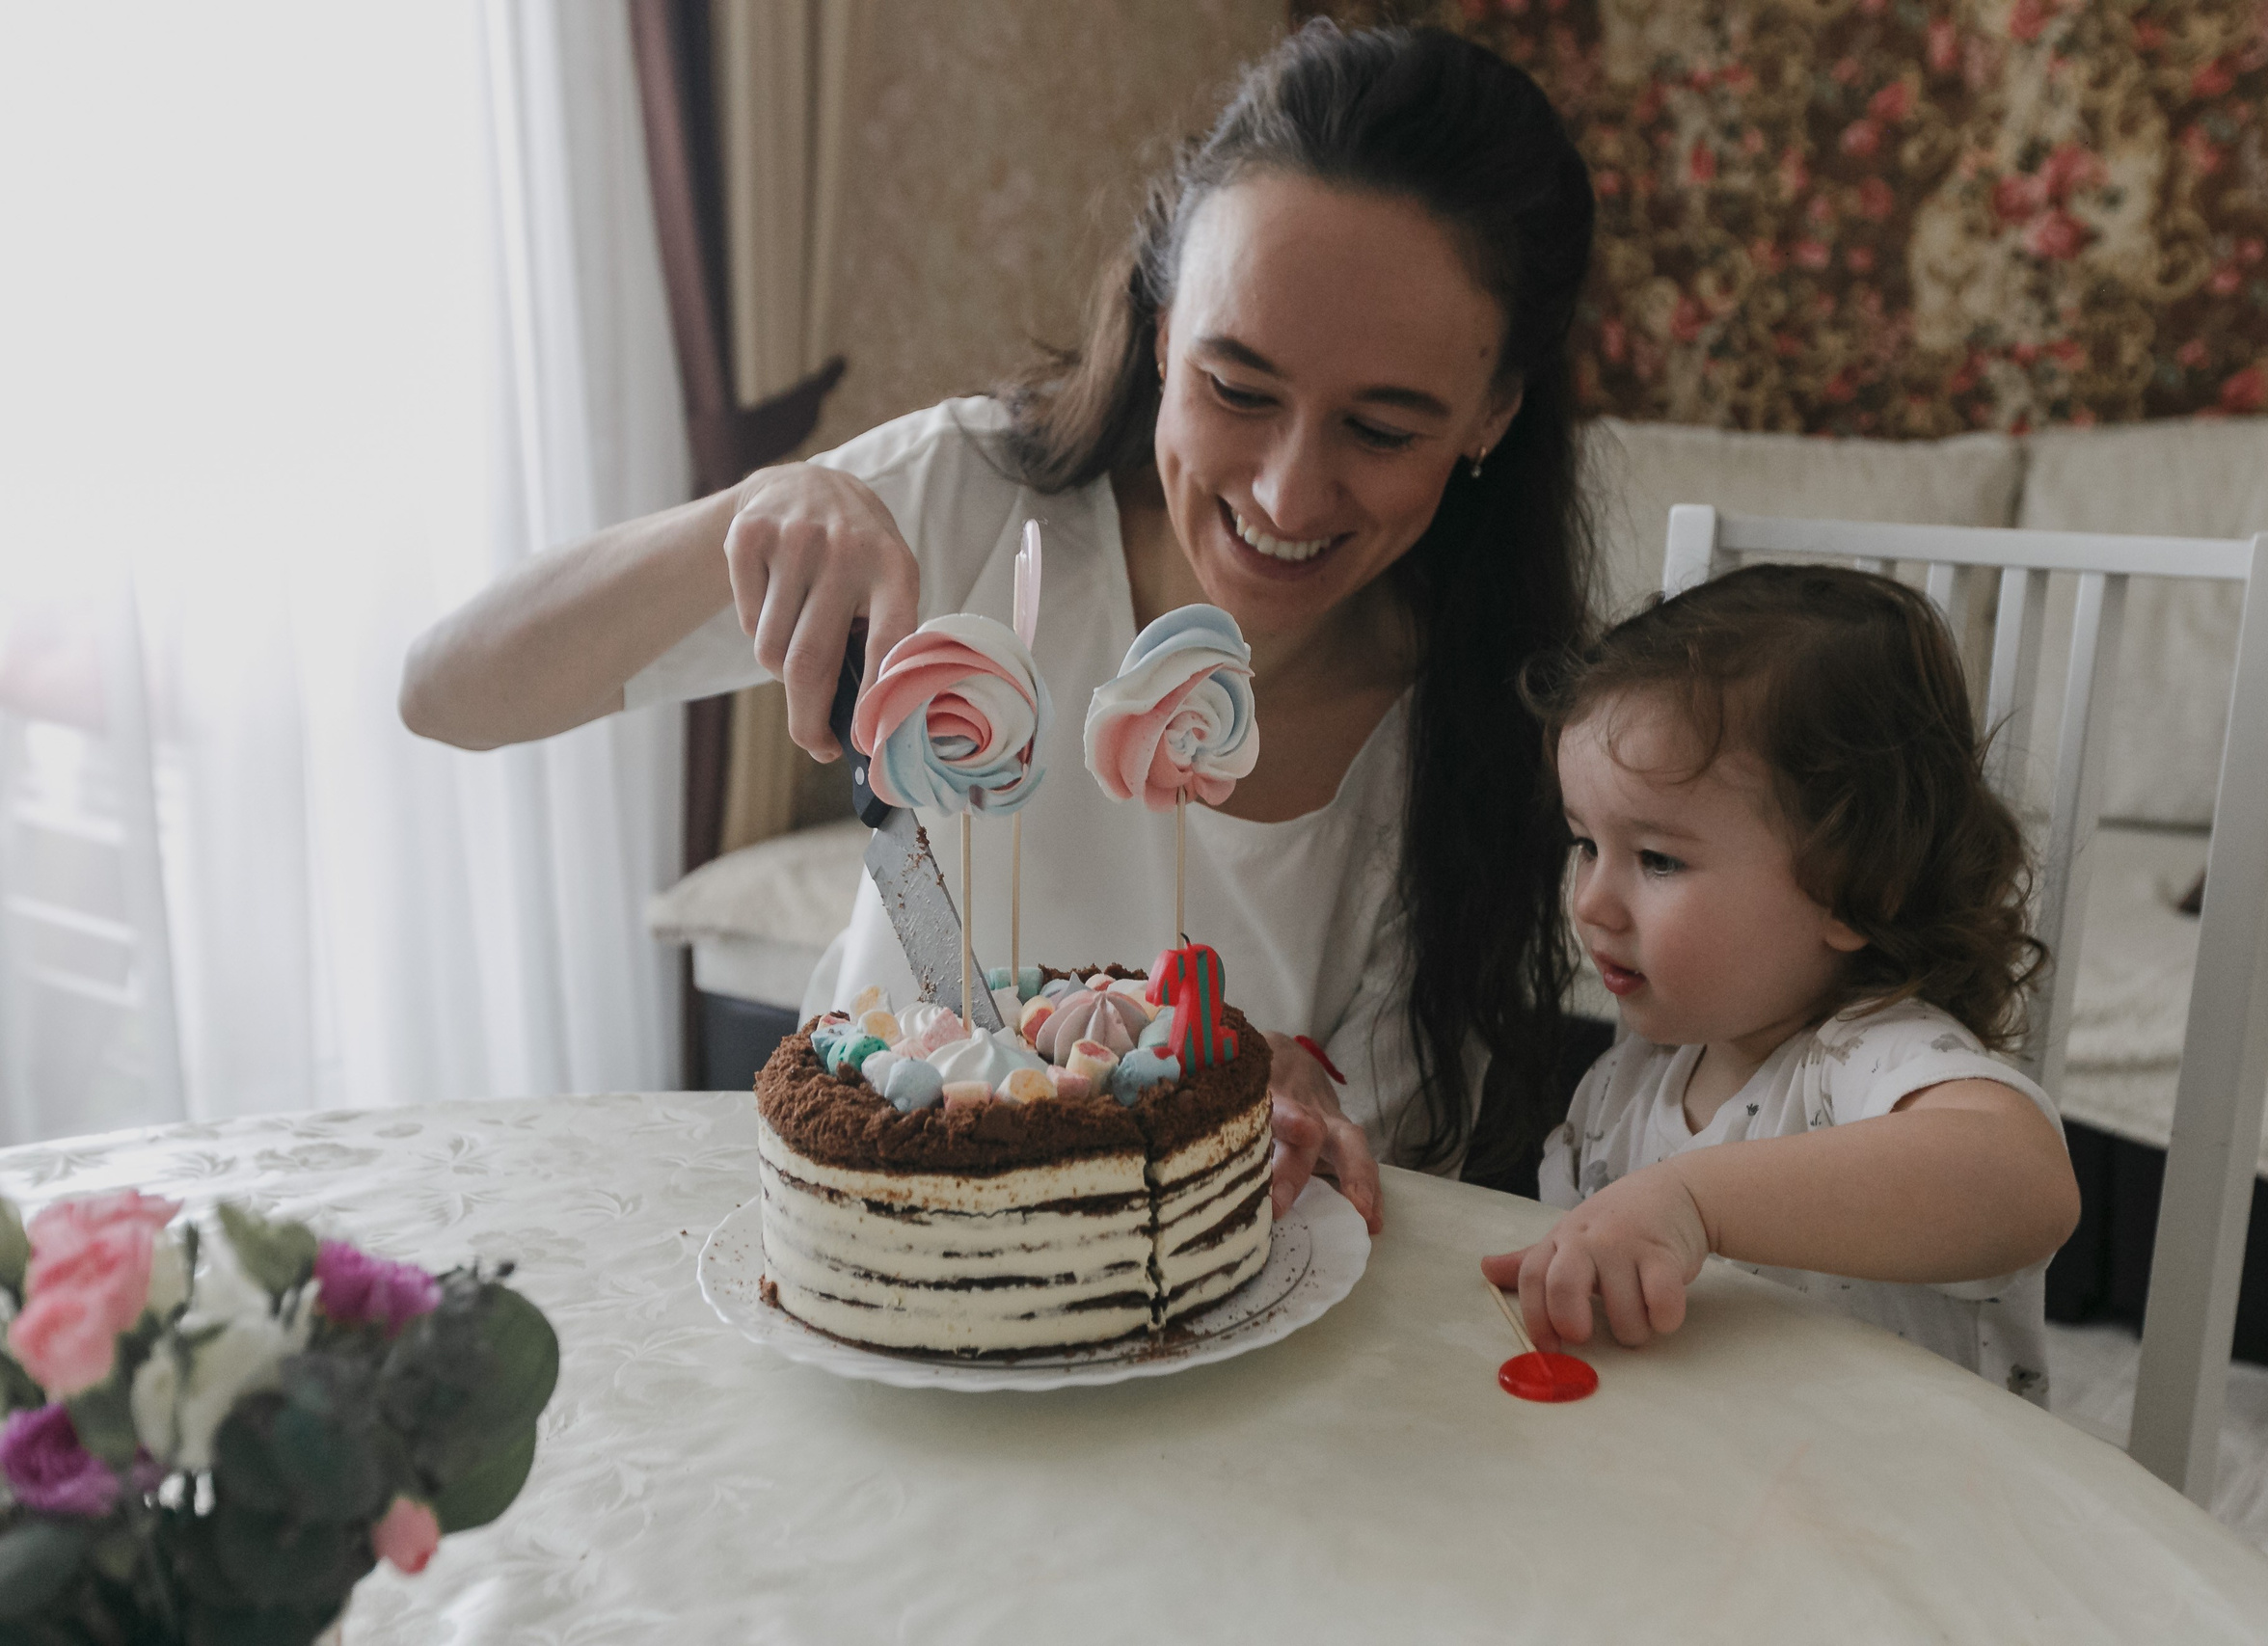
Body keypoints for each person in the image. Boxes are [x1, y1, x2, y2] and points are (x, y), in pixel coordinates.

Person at [398, 22, 1600, 1230]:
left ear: (1493, 412)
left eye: (1382, 429)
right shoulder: (965, 501)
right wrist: (758, 505)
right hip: (853, 1269)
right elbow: (446, 690)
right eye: (1235, 389)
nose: (1286, 494)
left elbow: (1370, 1204)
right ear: (1159, 323)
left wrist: (1295, 1124)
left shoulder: (1486, 728)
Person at [1481, 565, 2082, 1402]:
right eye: (1585, 843)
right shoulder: (1622, 1089)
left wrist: (1696, 1201)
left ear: (1853, 888)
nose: (1590, 900)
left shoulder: (1865, 1057)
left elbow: (2025, 1184)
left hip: (1905, 1516)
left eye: (1657, 858)